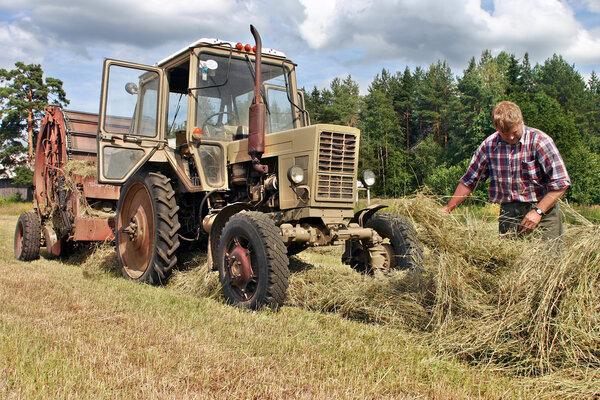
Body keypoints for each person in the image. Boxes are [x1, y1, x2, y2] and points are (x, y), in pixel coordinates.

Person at [443, 101, 571, 241]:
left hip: (543, 213)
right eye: (504, 133)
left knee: (547, 261)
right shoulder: (489, 146)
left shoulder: (540, 141)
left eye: (514, 132)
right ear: (496, 127)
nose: (511, 137)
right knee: (512, 262)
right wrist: (447, 209)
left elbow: (561, 183)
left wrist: (538, 211)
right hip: (509, 215)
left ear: (521, 121)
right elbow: (469, 181)